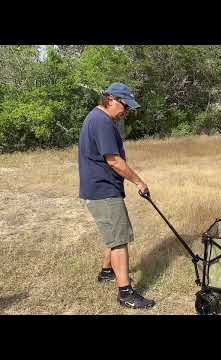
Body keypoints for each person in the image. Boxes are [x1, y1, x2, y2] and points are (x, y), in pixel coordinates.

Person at [78, 82, 155, 309]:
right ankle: (125, 292)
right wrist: (139, 181)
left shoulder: (98, 118)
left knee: (113, 232)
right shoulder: (101, 122)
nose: (126, 112)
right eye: (125, 106)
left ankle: (107, 271)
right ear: (110, 99)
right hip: (102, 189)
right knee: (120, 238)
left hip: (99, 188)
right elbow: (114, 161)